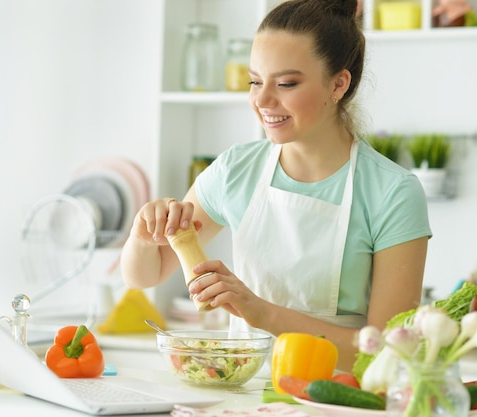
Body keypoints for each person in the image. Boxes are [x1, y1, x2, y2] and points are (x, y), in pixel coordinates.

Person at [120, 0, 431, 372]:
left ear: (338, 83)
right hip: (240, 392)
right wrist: (143, 234)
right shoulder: (236, 170)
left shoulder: (392, 193)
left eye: (286, 83)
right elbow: (144, 275)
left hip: (337, 399)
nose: (262, 100)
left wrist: (262, 312)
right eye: (255, 81)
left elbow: (387, 353)